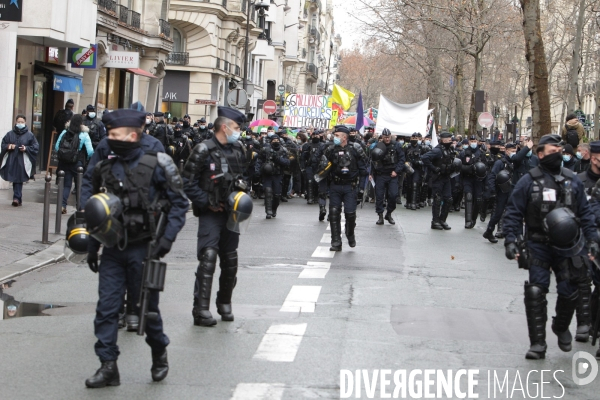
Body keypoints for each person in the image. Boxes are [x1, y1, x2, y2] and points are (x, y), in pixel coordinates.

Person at [84, 109, 188, 387]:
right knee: (107, 308)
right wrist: (93, 247)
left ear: (133, 135)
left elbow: (179, 203)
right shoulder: (105, 167)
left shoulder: (159, 163)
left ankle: (159, 351)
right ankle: (108, 366)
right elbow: (98, 212)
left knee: (147, 310)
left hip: (146, 249)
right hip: (114, 249)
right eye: (108, 134)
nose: (110, 139)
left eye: (115, 135)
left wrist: (166, 240)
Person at [503, 134, 599, 360]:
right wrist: (510, 240)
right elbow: (514, 211)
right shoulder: (529, 181)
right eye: (552, 150)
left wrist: (592, 240)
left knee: (570, 290)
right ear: (540, 154)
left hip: (569, 246)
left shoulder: (571, 179)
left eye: (559, 149)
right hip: (538, 244)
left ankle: (561, 325)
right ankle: (537, 343)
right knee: (536, 290)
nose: (557, 153)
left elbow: (585, 212)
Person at [182, 106, 250, 327]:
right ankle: (200, 309)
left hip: (231, 213)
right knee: (208, 257)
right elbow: (187, 182)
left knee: (230, 260)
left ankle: (224, 303)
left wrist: (241, 190)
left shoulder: (239, 148)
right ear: (225, 127)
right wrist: (206, 202)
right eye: (237, 128)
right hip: (211, 213)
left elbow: (244, 176)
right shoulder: (203, 149)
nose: (239, 132)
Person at [320, 125, 367, 251]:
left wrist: (361, 189)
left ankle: (350, 234)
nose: (334, 137)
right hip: (335, 185)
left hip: (350, 186)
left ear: (344, 137)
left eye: (336, 135)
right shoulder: (330, 150)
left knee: (350, 214)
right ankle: (336, 242)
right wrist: (322, 189)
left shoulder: (355, 149)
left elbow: (364, 170)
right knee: (334, 213)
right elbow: (323, 170)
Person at [55, 114, 94, 213]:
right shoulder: (84, 134)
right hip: (78, 163)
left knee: (66, 185)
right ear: (81, 123)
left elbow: (56, 147)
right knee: (80, 186)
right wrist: (87, 159)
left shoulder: (65, 132)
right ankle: (80, 207)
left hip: (65, 162)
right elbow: (90, 151)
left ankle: (62, 205)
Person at [0, 115, 39, 206]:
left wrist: (26, 148)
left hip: (23, 160)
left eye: (22, 122)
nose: (20, 124)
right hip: (12, 159)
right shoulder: (10, 134)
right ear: (15, 122)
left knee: (18, 178)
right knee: (15, 178)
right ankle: (17, 198)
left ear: (25, 123)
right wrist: (9, 146)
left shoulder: (30, 135)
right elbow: (3, 144)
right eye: (18, 122)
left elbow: (35, 147)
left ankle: (16, 198)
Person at [421, 131, 455, 230]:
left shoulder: (449, 150)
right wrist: (434, 168)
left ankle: (442, 220)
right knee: (437, 199)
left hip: (447, 177)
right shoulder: (438, 150)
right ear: (443, 140)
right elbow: (425, 158)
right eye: (448, 139)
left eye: (450, 139)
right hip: (438, 178)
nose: (450, 141)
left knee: (448, 199)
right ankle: (435, 221)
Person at [482, 141, 515, 243]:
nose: (514, 153)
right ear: (506, 151)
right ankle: (489, 230)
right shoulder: (500, 162)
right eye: (512, 151)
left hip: (512, 190)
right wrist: (493, 190)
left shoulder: (516, 162)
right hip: (501, 191)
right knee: (498, 213)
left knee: (512, 213)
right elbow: (492, 176)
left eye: (515, 151)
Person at [373, 128, 405, 225]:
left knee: (393, 195)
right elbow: (372, 160)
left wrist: (396, 171)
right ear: (382, 137)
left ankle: (389, 213)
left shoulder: (396, 145)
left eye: (388, 137)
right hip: (381, 174)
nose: (387, 139)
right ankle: (380, 216)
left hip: (392, 174)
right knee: (379, 196)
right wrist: (371, 173)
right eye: (385, 137)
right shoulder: (377, 145)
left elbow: (402, 159)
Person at [256, 133, 290, 218]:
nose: (276, 141)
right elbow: (259, 161)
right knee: (268, 191)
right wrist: (258, 171)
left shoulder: (283, 150)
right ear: (271, 141)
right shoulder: (265, 150)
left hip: (278, 175)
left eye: (277, 140)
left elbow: (287, 162)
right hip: (267, 175)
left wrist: (278, 159)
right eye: (274, 140)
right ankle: (268, 211)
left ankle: (274, 209)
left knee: (277, 195)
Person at [459, 135, 486, 229]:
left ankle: (473, 218)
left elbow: (486, 167)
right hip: (468, 178)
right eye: (472, 141)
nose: (473, 142)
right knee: (469, 197)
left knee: (478, 200)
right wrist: (469, 168)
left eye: (475, 140)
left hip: (478, 180)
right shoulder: (464, 153)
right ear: (469, 142)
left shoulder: (481, 153)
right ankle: (468, 220)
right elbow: (459, 166)